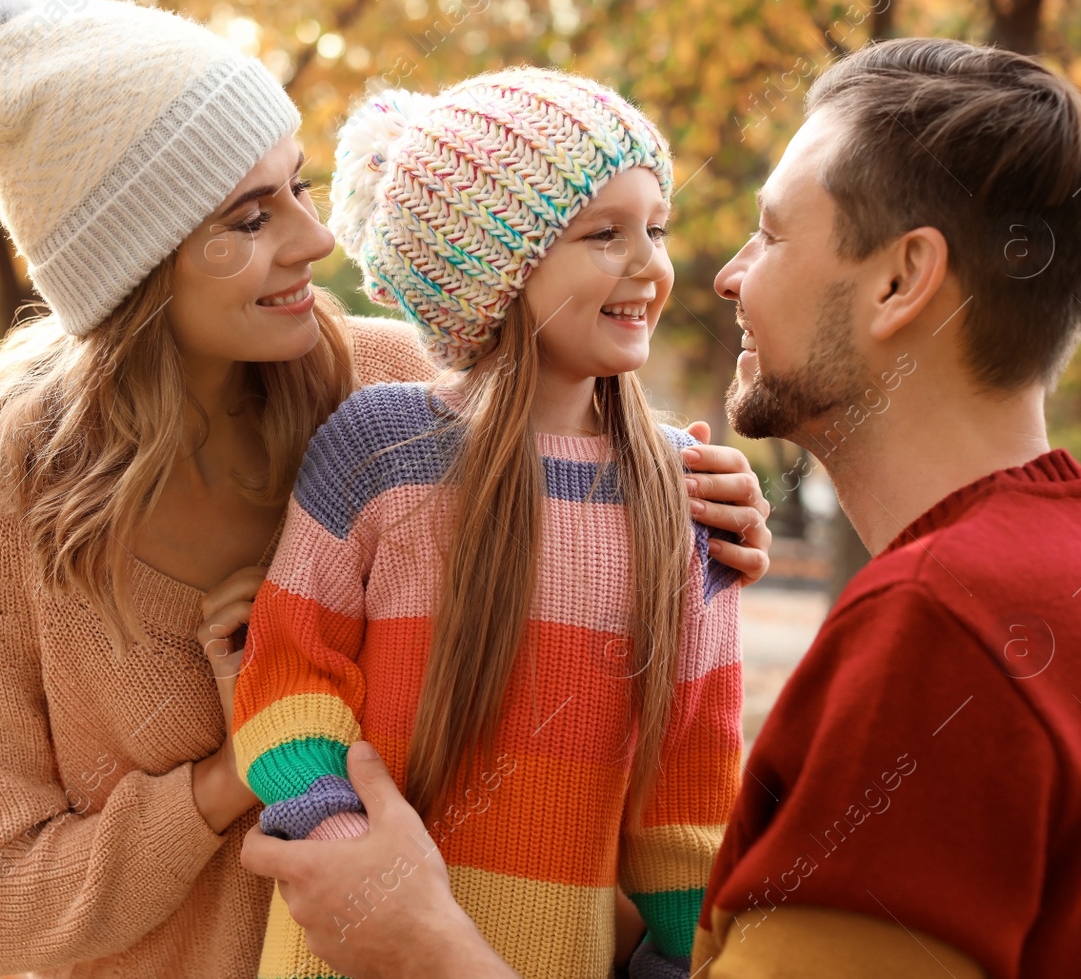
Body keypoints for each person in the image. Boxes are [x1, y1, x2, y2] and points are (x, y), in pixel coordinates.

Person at [241, 38, 1081, 978]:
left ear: (898, 279)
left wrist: (425, 948)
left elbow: (685, 805)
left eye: (773, 230)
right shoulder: (1076, 598)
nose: (719, 274)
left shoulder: (944, 639)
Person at [0, 0, 772, 979]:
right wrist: (235, 773)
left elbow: (567, 437)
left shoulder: (391, 386)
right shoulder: (8, 532)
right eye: (248, 218)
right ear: (133, 264)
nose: (316, 239)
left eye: (300, 187)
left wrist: (697, 504)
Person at [233, 70, 751, 979]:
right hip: (344, 949)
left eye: (655, 229)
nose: (652, 266)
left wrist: (680, 960)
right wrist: (354, 853)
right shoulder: (378, 450)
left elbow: (691, 785)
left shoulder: (682, 499)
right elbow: (287, 673)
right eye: (605, 235)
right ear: (495, 273)